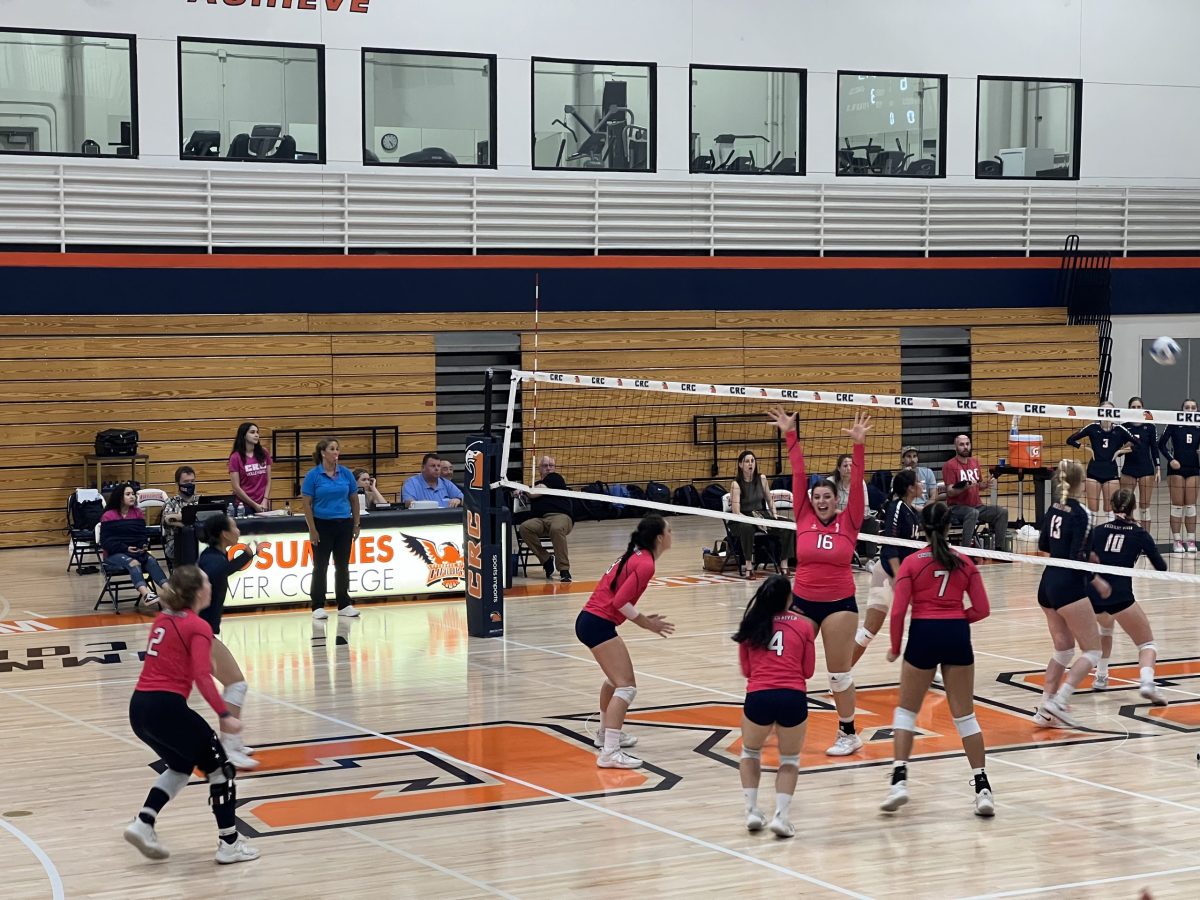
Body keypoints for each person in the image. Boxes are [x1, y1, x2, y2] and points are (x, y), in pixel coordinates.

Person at [123, 565, 259, 865]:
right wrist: (224, 714)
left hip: (140, 708)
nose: (211, 584)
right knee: (221, 770)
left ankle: (143, 823)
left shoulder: (163, 619)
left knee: (180, 766)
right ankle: (230, 844)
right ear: (199, 591)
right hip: (166, 708)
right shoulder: (197, 626)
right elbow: (202, 675)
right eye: (208, 581)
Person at [768, 405, 871, 757]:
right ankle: (777, 719)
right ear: (810, 501)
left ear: (835, 500)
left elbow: (855, 483)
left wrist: (858, 446)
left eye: (827, 496)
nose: (822, 500)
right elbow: (798, 473)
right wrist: (790, 435)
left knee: (837, 673)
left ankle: (848, 733)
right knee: (784, 664)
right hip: (803, 602)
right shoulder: (802, 516)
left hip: (840, 604)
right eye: (817, 497)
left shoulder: (850, 519)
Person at [880, 501, 993, 817]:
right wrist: (956, 619)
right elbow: (982, 609)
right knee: (965, 716)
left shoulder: (912, 564)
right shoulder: (965, 562)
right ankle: (982, 788)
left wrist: (893, 647)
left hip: (923, 635)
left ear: (921, 529)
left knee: (906, 712)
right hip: (956, 635)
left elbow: (900, 611)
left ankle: (899, 781)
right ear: (948, 526)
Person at [574, 515, 674, 769]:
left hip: (591, 621)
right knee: (626, 686)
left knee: (614, 680)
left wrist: (641, 619)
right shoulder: (645, 564)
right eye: (669, 531)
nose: (673, 535)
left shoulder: (637, 556)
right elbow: (620, 602)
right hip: (597, 623)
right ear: (660, 538)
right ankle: (610, 752)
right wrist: (646, 623)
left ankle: (604, 734)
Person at [732, 574, 815, 838]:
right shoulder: (803, 627)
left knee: (750, 752)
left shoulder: (751, 625)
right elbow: (808, 671)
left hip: (759, 697)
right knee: (789, 759)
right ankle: (781, 816)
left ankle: (752, 810)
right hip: (793, 697)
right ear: (788, 598)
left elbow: (746, 670)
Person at [1033, 459, 1107, 728]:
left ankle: (1045, 709)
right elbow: (1078, 556)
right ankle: (1060, 701)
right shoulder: (1083, 514)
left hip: (1047, 583)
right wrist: (1096, 578)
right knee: (1093, 651)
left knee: (1063, 650)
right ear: (1082, 481)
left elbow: (1043, 544)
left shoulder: (1053, 508)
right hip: (1068, 585)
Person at [1087, 489, 1168, 704]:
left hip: (1094, 594)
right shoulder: (1139, 533)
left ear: (1111, 505)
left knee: (1106, 629)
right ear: (1134, 507)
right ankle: (1147, 683)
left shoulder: (1097, 530)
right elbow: (1161, 566)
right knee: (1147, 644)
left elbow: (1083, 557)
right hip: (1120, 596)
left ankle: (1101, 678)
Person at [197, 514, 264, 769]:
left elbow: (222, 570)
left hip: (203, 631)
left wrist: (247, 556)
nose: (238, 530)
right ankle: (229, 745)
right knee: (237, 684)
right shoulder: (212, 560)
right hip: (200, 633)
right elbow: (218, 572)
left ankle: (232, 741)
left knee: (235, 684)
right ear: (225, 534)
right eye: (234, 527)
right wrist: (248, 555)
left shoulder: (212, 555)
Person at [852, 469, 922, 666]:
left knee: (925, 621)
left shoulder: (910, 511)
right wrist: (899, 578)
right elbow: (890, 545)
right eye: (918, 481)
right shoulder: (897, 507)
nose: (922, 484)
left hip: (905, 575)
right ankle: (839, 675)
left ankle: (925, 667)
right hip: (887, 574)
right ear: (910, 488)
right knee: (869, 631)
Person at [302, 438, 361, 620]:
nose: (336, 452)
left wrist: (356, 523)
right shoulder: (313, 475)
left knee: (342, 565)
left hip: (344, 524)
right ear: (323, 452)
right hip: (322, 524)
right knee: (320, 566)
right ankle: (317, 605)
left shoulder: (346, 473)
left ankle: (344, 603)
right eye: (332, 449)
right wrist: (312, 529)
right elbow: (306, 504)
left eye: (337, 449)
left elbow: (354, 499)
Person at [1066, 402, 1137, 523]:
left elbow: (1138, 444)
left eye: (1109, 410)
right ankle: (1091, 539)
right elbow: (1070, 440)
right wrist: (1085, 447)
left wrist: (1120, 451)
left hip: (1111, 473)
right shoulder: (1092, 427)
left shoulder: (1119, 429)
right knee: (1092, 510)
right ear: (1099, 413)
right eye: (1103, 410)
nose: (1107, 413)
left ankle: (1107, 536)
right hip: (1094, 472)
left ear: (1114, 413)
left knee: (1110, 510)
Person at [100, 483, 168, 606]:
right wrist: (125, 548)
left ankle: (171, 592)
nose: (132, 497)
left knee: (151, 561)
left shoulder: (137, 513)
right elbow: (106, 541)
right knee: (133, 563)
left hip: (135, 551)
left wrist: (143, 545)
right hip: (114, 553)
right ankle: (146, 594)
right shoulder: (108, 516)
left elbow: (141, 535)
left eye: (133, 494)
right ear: (120, 497)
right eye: (128, 494)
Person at [943, 434, 1009, 548]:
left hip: (977, 506)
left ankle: (999, 549)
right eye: (962, 444)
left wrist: (984, 485)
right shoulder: (949, 465)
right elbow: (949, 492)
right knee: (973, 513)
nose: (965, 447)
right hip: (956, 508)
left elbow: (978, 485)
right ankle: (966, 550)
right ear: (955, 447)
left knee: (1002, 512)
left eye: (967, 444)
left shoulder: (974, 462)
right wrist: (964, 487)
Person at [517, 455, 575, 583]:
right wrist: (518, 492)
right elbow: (527, 493)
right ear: (539, 469)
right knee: (525, 528)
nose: (548, 468)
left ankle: (564, 570)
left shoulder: (555, 478)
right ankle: (547, 559)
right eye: (545, 466)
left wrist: (524, 490)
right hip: (541, 519)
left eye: (551, 465)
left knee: (556, 528)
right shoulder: (534, 484)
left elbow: (533, 493)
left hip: (561, 517)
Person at [729, 450, 782, 580]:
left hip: (760, 515)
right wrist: (754, 521)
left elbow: (769, 500)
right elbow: (736, 512)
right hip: (741, 518)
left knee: (787, 525)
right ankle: (748, 566)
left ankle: (785, 564)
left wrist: (774, 514)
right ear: (740, 465)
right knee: (747, 528)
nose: (750, 464)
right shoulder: (736, 484)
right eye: (747, 461)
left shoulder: (762, 479)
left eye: (752, 461)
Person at [1158, 399, 1200, 553]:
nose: (1190, 410)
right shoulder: (1174, 423)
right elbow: (1161, 444)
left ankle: (1190, 540)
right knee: (1177, 506)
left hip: (1194, 468)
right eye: (1187, 407)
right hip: (1177, 469)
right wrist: (1171, 460)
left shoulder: (1198, 424)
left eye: (1193, 407)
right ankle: (1177, 540)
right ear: (1182, 409)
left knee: (1190, 507)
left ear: (1196, 410)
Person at [1119, 396, 1160, 535]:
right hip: (1128, 469)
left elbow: (1154, 449)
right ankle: (1126, 535)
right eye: (1133, 407)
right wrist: (1126, 446)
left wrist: (1158, 468)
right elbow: (1117, 452)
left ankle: (1145, 537)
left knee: (1144, 507)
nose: (1136, 409)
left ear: (1143, 409)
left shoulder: (1150, 427)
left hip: (1146, 470)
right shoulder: (1124, 428)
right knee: (1126, 506)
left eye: (1138, 407)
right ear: (1129, 409)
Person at [832, 451, 881, 561]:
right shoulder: (831, 482)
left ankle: (870, 560)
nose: (849, 468)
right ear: (839, 468)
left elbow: (865, 507)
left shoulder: (860, 482)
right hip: (837, 520)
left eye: (851, 466)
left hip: (855, 520)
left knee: (873, 522)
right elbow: (827, 509)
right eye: (845, 466)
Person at [229, 422, 272, 513]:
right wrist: (254, 505)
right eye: (252, 432)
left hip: (263, 503)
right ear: (244, 435)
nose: (256, 435)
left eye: (257, 432)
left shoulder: (264, 452)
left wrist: (265, 500)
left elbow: (268, 479)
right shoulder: (235, 457)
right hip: (244, 506)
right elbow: (236, 487)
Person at [161, 465, 199, 565]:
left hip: (198, 540)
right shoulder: (171, 502)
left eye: (192, 481)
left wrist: (182, 518)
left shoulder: (200, 501)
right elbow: (168, 519)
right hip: (176, 544)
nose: (190, 484)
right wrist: (191, 521)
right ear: (177, 484)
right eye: (186, 482)